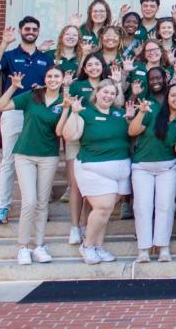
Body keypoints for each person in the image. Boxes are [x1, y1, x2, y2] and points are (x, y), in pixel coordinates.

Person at [0, 17, 54, 226]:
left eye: (34, 29)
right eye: (27, 28)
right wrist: (4, 43)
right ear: (21, 31)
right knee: (9, 160)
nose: (31, 31)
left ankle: (39, 206)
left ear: (38, 32)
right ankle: (3, 207)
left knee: (38, 160)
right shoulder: (10, 55)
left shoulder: (45, 58)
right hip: (14, 111)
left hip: (38, 113)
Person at [0, 65, 68, 264]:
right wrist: (12, 87)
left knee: (43, 203)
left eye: (56, 76)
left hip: (48, 156)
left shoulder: (64, 101)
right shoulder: (32, 96)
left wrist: (67, 109)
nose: (53, 79)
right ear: (45, 78)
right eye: (50, 76)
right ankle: (23, 247)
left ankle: (39, 245)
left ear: (62, 80)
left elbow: (60, 132)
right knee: (29, 201)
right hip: (25, 154)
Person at [61, 79, 131, 264]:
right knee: (103, 207)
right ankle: (87, 246)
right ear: (97, 93)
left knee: (105, 212)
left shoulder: (120, 113)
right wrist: (74, 113)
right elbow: (69, 136)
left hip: (120, 169)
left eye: (112, 93)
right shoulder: (86, 113)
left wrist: (131, 118)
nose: (108, 96)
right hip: (92, 166)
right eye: (105, 92)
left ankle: (98, 247)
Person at [128, 83, 176, 263]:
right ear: (167, 97)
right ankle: (143, 249)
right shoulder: (153, 111)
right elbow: (132, 131)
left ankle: (163, 247)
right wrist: (142, 112)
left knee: (166, 206)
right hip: (142, 167)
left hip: (167, 167)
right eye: (173, 95)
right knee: (142, 207)